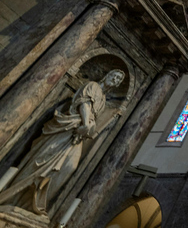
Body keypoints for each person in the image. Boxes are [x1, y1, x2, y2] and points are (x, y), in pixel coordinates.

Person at [0, 69, 125, 216]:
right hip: (67, 128)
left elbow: (94, 117)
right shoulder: (92, 86)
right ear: (107, 75)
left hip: (78, 136)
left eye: (118, 80)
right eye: (114, 76)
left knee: (69, 167)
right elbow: (84, 103)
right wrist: (85, 124)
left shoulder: (103, 99)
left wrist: (89, 128)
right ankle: (12, 199)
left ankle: (34, 204)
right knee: (41, 160)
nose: (115, 80)